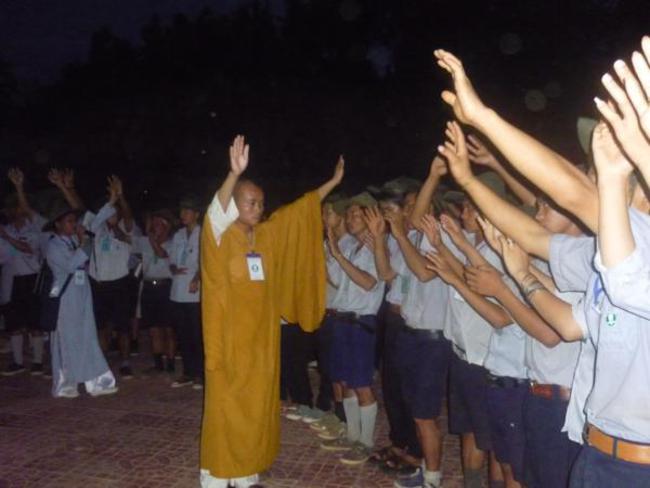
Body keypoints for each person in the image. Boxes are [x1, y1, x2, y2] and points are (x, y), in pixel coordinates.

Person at [199, 135, 343, 488]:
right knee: (226, 405)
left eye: (261, 203)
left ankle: (246, 469)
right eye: (250, 202)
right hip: (229, 339)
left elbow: (299, 212)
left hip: (262, 341)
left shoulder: (265, 236)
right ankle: (217, 473)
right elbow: (215, 212)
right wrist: (233, 174)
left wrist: (332, 183)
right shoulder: (218, 237)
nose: (258, 208)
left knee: (257, 405)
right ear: (234, 205)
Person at [319, 192, 385, 466]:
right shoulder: (351, 248)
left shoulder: (375, 248)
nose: (351, 219)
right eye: (349, 214)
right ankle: (352, 435)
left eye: (358, 214)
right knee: (345, 382)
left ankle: (365, 442)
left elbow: (369, 282)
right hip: (343, 321)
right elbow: (336, 280)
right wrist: (330, 253)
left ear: (371, 218)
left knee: (361, 384)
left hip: (360, 323)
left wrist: (337, 255)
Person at [45, 198, 117, 398]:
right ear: (58, 224)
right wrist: (84, 241)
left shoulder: (73, 240)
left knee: (87, 336)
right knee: (66, 339)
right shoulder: (54, 246)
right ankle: (65, 384)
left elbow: (93, 224)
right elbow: (71, 264)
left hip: (82, 295)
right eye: (68, 221)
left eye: (74, 221)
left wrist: (111, 202)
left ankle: (97, 381)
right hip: (65, 300)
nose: (73, 225)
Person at [88, 175, 136, 378]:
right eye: (109, 212)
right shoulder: (96, 229)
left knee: (123, 327)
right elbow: (89, 216)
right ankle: (102, 363)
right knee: (102, 327)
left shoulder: (126, 227)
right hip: (99, 284)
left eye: (115, 212)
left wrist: (120, 196)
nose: (112, 215)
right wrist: (111, 199)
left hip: (120, 283)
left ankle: (125, 362)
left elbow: (128, 215)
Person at [0, 168, 47, 376]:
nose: (15, 210)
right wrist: (7, 239)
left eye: (17, 206)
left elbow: (29, 249)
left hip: (32, 279)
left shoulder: (34, 229)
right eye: (12, 207)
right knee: (15, 325)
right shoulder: (7, 230)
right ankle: (18, 363)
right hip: (12, 281)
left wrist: (8, 239)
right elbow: (4, 257)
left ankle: (37, 362)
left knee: (35, 324)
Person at [131, 209, 176, 373]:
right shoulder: (145, 242)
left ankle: (170, 362)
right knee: (153, 328)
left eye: (158, 224)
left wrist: (151, 239)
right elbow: (125, 239)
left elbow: (161, 254)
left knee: (168, 328)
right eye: (154, 223)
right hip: (149, 286)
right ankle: (158, 364)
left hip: (166, 287)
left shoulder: (173, 243)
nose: (154, 227)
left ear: (167, 226)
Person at [169, 195, 203, 389]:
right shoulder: (178, 235)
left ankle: (200, 374)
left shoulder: (203, 233)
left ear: (196, 214)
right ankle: (188, 373)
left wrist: (197, 277)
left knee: (197, 334)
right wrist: (173, 268)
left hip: (195, 291)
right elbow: (172, 260)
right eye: (182, 211)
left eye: (187, 211)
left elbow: (208, 261)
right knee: (183, 334)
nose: (183, 214)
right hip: (178, 289)